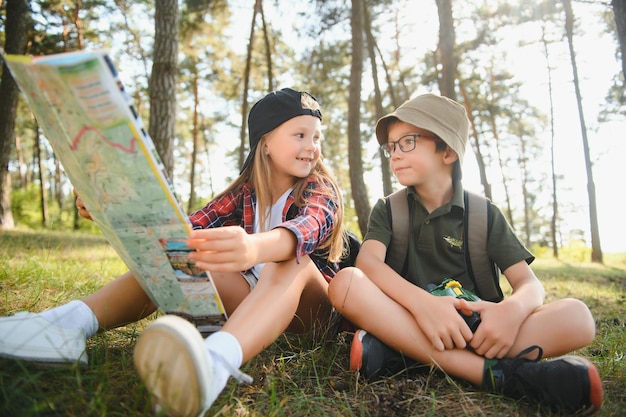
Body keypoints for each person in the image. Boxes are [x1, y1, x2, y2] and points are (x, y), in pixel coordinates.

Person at [0, 88, 346, 417]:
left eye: (316, 137)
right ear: (265, 142)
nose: (312, 147)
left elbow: (309, 228)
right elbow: (180, 232)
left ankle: (213, 366)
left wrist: (255, 247)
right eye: (300, 135)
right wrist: (114, 211)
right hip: (254, 310)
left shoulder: (319, 188)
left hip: (310, 318)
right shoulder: (244, 192)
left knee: (289, 261)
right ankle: (67, 326)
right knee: (178, 254)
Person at [328, 93, 603, 415]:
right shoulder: (389, 209)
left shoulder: (484, 214)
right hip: (414, 317)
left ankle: (401, 354)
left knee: (578, 317)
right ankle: (500, 375)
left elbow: (529, 284)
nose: (394, 155)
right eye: (391, 146)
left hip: (481, 330)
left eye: (408, 142)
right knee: (346, 282)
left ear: (448, 151)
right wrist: (424, 304)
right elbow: (368, 262)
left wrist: (511, 311)